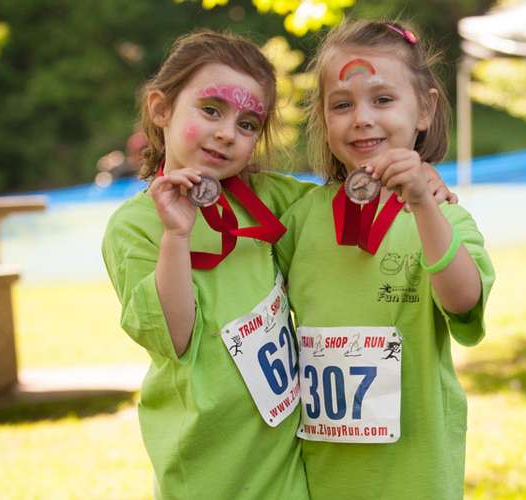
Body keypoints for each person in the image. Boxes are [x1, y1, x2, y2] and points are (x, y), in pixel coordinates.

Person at [102, 29, 456, 500]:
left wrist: (416, 169)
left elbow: (343, 199)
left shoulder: (270, 200)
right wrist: (177, 236)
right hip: (206, 465)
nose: (228, 132)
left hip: (286, 461)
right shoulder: (134, 226)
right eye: (211, 110)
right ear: (161, 109)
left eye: (248, 124)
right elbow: (174, 334)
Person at [275, 20, 496, 500]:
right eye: (342, 104)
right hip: (319, 475)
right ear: (323, 118)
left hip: (414, 475)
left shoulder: (444, 217)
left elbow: (463, 302)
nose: (361, 118)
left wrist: (421, 204)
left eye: (382, 99)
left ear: (425, 109)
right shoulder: (298, 220)